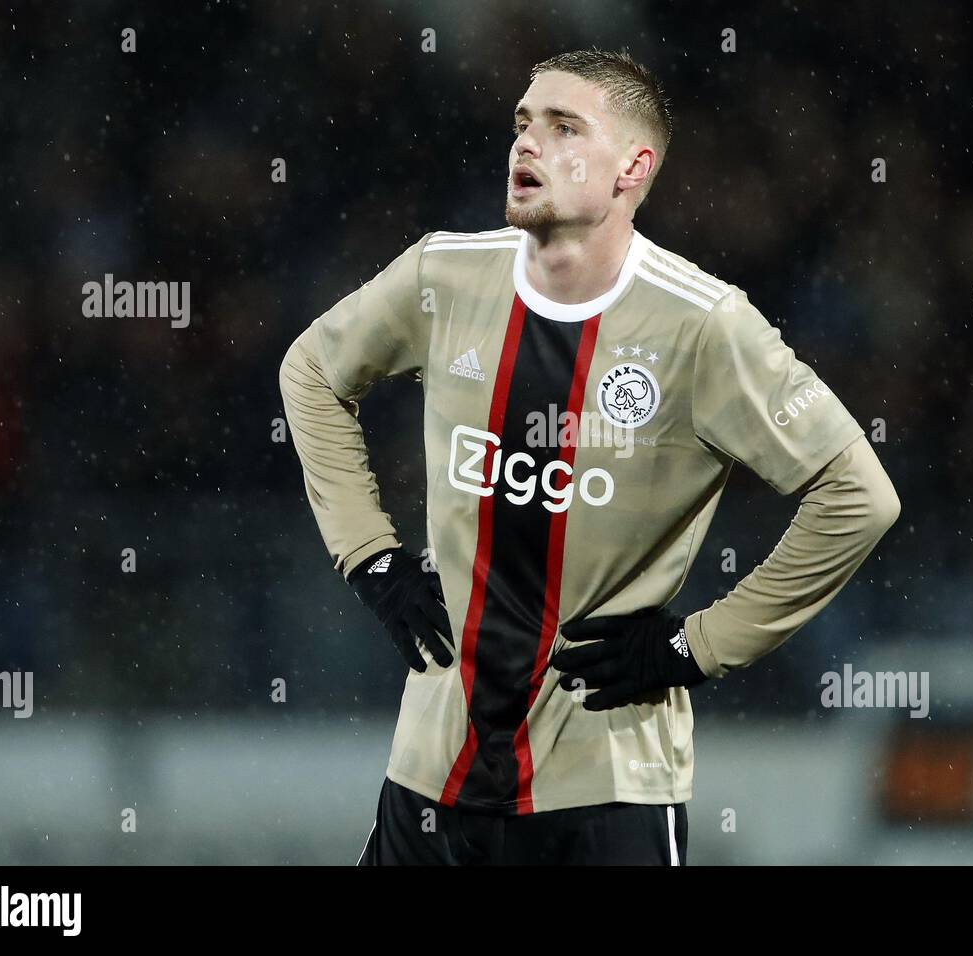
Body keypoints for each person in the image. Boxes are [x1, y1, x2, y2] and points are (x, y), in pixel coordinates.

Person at [279, 48, 900, 866]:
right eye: (523, 123)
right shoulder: (445, 273)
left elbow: (858, 494)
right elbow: (313, 369)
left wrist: (701, 646)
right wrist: (370, 557)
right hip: (434, 774)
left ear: (632, 168)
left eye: (564, 126)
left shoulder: (703, 325)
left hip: (608, 787)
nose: (527, 144)